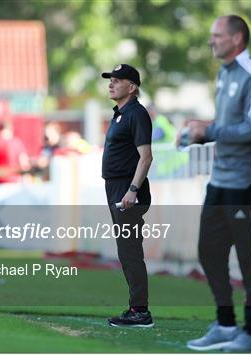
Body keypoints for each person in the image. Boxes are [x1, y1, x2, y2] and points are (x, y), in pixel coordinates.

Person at [185, 15, 251, 352]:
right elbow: (226, 125)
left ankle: (250, 333)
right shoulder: (223, 73)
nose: (212, 41)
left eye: (217, 35)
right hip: (219, 180)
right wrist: (198, 135)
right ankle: (224, 323)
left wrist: (209, 131)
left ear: (237, 38)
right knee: (208, 251)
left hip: (247, 184)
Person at [100, 64, 154, 327]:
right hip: (116, 188)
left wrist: (132, 190)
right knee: (126, 251)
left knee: (130, 251)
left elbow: (146, 157)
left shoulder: (136, 114)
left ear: (132, 87)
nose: (111, 84)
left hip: (127, 190)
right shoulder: (120, 114)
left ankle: (140, 311)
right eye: (110, 80)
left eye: (117, 80)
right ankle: (137, 308)